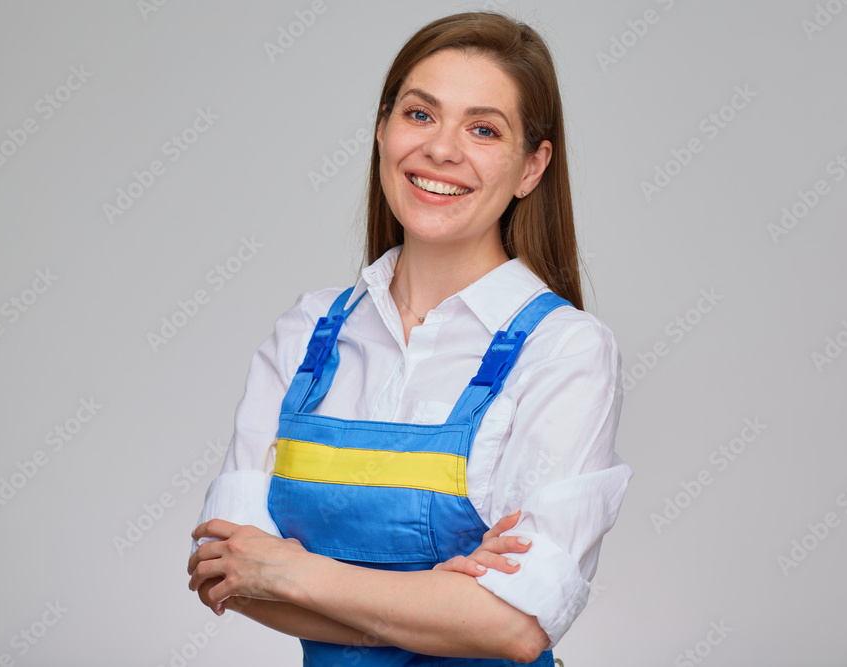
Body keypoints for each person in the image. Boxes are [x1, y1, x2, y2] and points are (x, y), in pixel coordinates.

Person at [186, 11, 632, 665]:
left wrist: (287, 569)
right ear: (382, 129)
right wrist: (439, 602)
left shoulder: (565, 350)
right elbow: (224, 568)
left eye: (483, 129)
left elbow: (516, 626)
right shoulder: (307, 332)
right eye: (420, 115)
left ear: (532, 167)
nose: (442, 149)